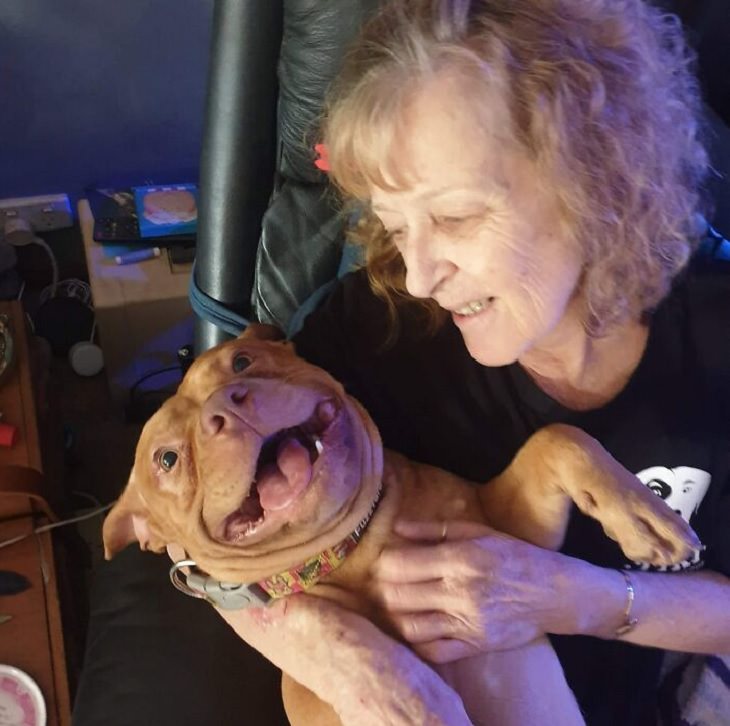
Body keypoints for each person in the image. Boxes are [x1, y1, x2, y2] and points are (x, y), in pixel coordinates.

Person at [213, 0, 730, 724]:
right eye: (395, 226)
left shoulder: (713, 330)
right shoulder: (367, 335)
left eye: (455, 218)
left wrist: (583, 599)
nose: (420, 274)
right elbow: (187, 523)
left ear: (593, 175)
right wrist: (321, 642)